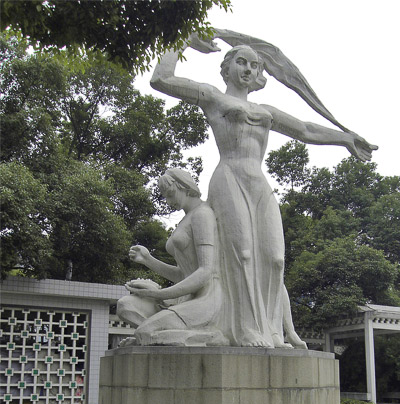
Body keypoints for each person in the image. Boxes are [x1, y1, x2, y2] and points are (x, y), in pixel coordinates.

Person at [150, 31, 377, 347]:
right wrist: (183, 40)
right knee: (241, 252)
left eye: (255, 66)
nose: (248, 70)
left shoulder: (267, 111)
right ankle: (246, 329)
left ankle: (272, 329)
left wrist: (345, 137)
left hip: (258, 182)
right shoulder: (214, 98)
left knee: (274, 258)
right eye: (241, 62)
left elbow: (306, 129)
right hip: (228, 176)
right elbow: (161, 79)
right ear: (227, 67)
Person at [117, 168, 226, 346]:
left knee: (145, 330)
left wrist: (157, 293)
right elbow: (183, 275)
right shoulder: (187, 218)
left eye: (170, 194)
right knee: (125, 305)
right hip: (185, 298)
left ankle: (210, 336)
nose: (168, 201)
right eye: (165, 196)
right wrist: (148, 260)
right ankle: (154, 334)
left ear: (184, 187)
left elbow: (205, 272)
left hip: (207, 300)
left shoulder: (202, 215)